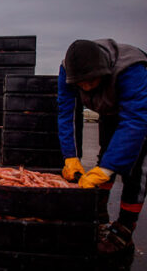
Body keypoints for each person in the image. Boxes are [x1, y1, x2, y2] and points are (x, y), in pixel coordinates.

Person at [57, 39, 147, 255]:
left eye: (91, 81)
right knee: (105, 155)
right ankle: (98, 214)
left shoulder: (131, 69)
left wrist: (109, 169)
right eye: (81, 83)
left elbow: (136, 120)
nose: (86, 87)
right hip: (109, 110)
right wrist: (70, 156)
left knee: (134, 169)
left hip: (140, 112)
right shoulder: (67, 72)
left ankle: (124, 227)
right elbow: (66, 112)